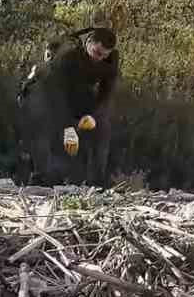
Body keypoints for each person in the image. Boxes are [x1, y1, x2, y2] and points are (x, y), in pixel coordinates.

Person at [17, 27, 119, 185]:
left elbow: (106, 91)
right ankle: (40, 178)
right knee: (49, 130)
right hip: (43, 90)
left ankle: (96, 182)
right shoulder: (69, 55)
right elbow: (55, 94)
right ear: (89, 43)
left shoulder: (111, 59)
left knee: (101, 127)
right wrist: (67, 126)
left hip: (77, 91)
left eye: (105, 55)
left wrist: (92, 113)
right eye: (97, 53)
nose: (100, 58)